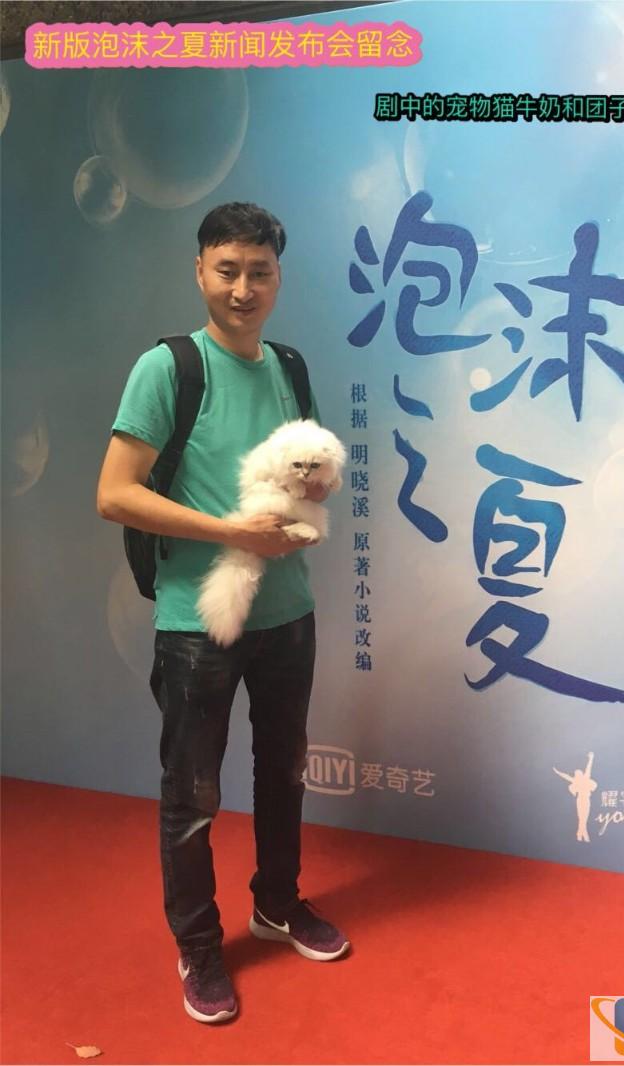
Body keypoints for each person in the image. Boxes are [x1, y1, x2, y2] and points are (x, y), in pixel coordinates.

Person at [96, 202, 349, 1025]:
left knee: (284, 771)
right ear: (200, 270)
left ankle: (277, 905)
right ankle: (199, 946)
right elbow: (114, 494)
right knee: (193, 793)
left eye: (260, 272)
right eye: (227, 270)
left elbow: (311, 476)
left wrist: (311, 493)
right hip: (195, 619)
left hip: (289, 611)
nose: (244, 288)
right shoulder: (168, 367)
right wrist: (229, 532)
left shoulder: (290, 367)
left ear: (279, 277)